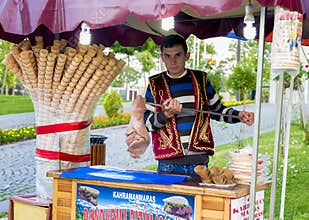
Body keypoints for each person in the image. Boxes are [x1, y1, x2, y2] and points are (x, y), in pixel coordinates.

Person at [126, 34, 254, 175]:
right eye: (167, 56)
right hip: (169, 164)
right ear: (162, 57)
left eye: (177, 55)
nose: (173, 61)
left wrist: (238, 116)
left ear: (187, 56)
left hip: (199, 162)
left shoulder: (202, 80)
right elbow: (148, 124)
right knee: (170, 198)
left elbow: (217, 110)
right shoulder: (155, 84)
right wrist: (166, 114)